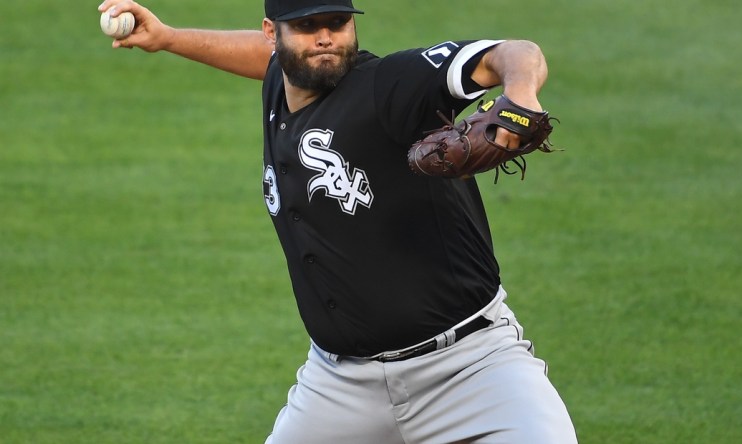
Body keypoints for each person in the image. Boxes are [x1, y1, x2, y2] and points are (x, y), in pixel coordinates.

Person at [97, 0, 578, 442]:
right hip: (340, 385)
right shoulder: (282, 81)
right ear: (273, 34)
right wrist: (168, 37)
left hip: (471, 369)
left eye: (337, 24)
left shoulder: (390, 86)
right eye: (307, 27)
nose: (325, 38)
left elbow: (516, 52)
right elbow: (263, 59)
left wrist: (520, 94)